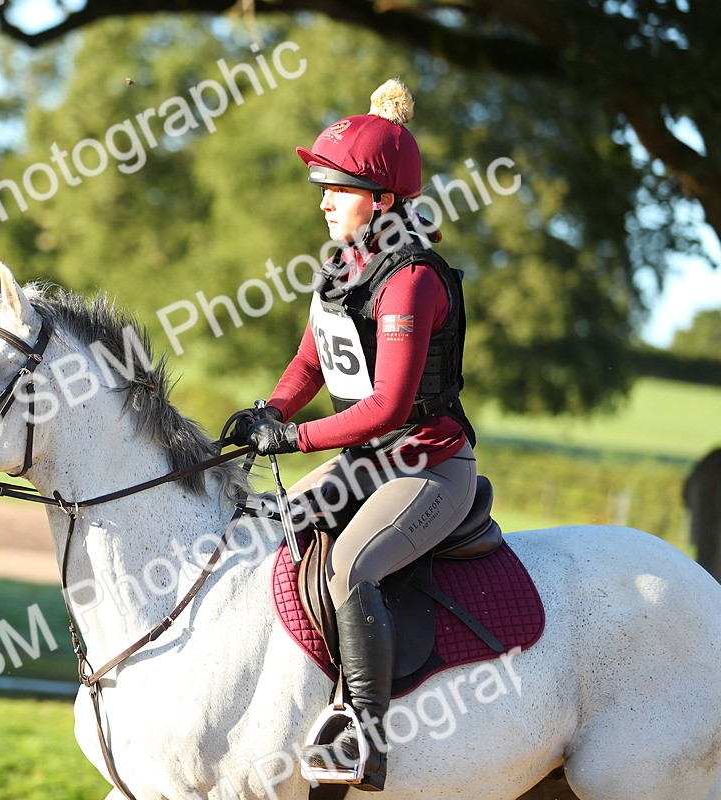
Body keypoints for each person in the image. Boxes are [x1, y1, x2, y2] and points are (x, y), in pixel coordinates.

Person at [231, 79, 477, 792]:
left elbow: (391, 406)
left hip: (428, 467)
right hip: (368, 466)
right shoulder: (344, 268)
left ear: (385, 201)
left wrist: (295, 440)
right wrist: (271, 411)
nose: (323, 200)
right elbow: (310, 361)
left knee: (351, 570)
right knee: (261, 532)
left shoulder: (411, 280)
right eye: (322, 187)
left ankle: (364, 738)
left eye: (336, 187)